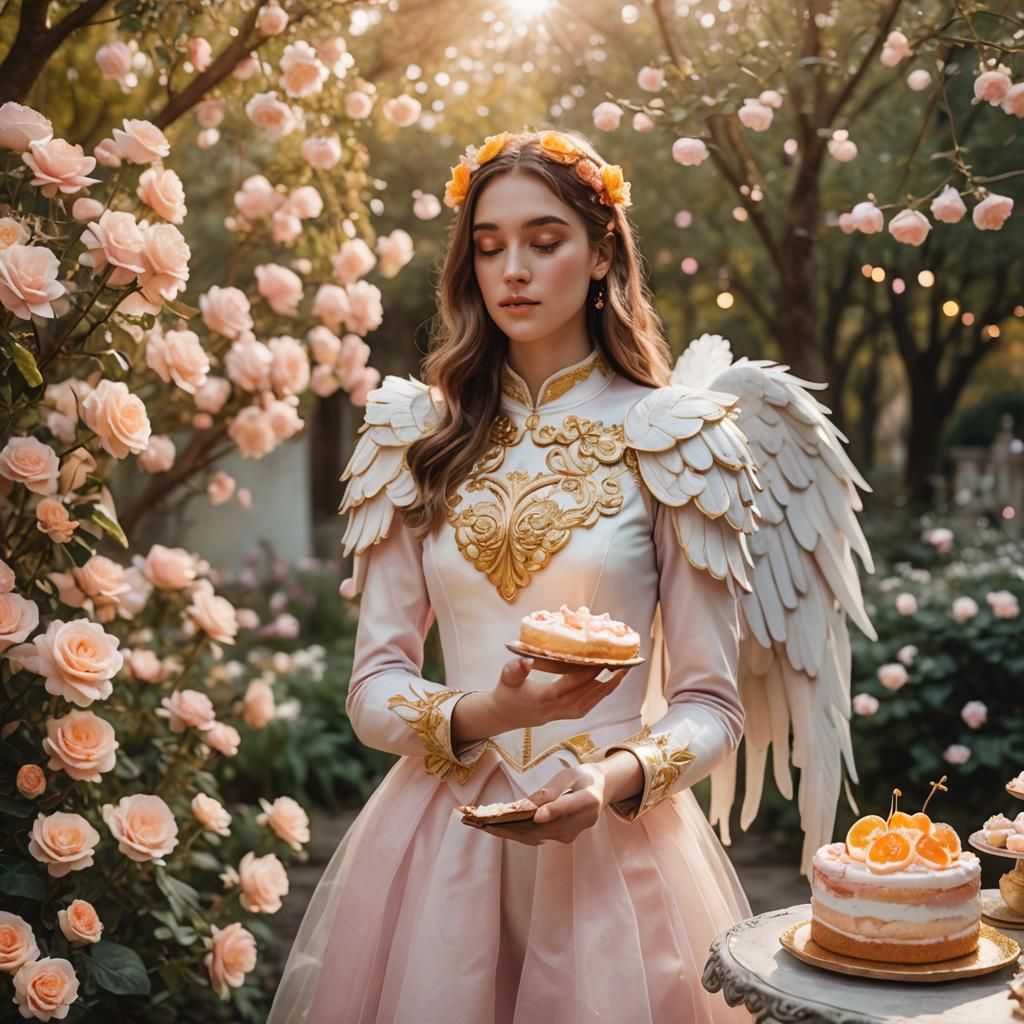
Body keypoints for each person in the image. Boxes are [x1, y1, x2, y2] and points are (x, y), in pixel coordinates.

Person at [267, 128, 758, 1024]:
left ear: (603, 249)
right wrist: (489, 713)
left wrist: (611, 780)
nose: (514, 272)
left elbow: (711, 706)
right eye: (489, 247)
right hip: (439, 848)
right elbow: (373, 687)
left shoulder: (677, 438)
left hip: (614, 841)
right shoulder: (414, 435)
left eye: (545, 240)